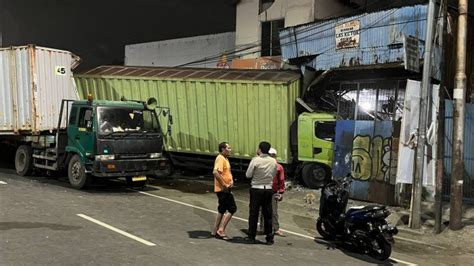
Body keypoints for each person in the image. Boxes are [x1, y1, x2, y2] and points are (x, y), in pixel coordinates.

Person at [245, 141, 277, 245]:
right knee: (268, 214)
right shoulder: (273, 161)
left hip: (256, 188)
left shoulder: (255, 160)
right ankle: (269, 238)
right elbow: (274, 174)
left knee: (254, 213)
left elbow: (248, 175)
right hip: (268, 188)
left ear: (259, 149)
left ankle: (251, 236)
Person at [211, 142, 236, 240]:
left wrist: (231, 180)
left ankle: (215, 230)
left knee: (222, 209)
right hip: (223, 190)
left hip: (224, 188)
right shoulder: (220, 158)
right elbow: (215, 172)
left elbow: (227, 172)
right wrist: (224, 184)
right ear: (223, 149)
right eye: (228, 148)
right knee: (232, 208)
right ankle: (221, 230)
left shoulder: (225, 159)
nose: (230, 149)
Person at [269, 148, 286, 237]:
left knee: (274, 211)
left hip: (273, 191)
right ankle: (263, 228)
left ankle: (276, 228)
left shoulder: (279, 167)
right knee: (262, 210)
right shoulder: (264, 165)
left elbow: (281, 180)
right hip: (264, 190)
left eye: (273, 155)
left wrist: (281, 192)